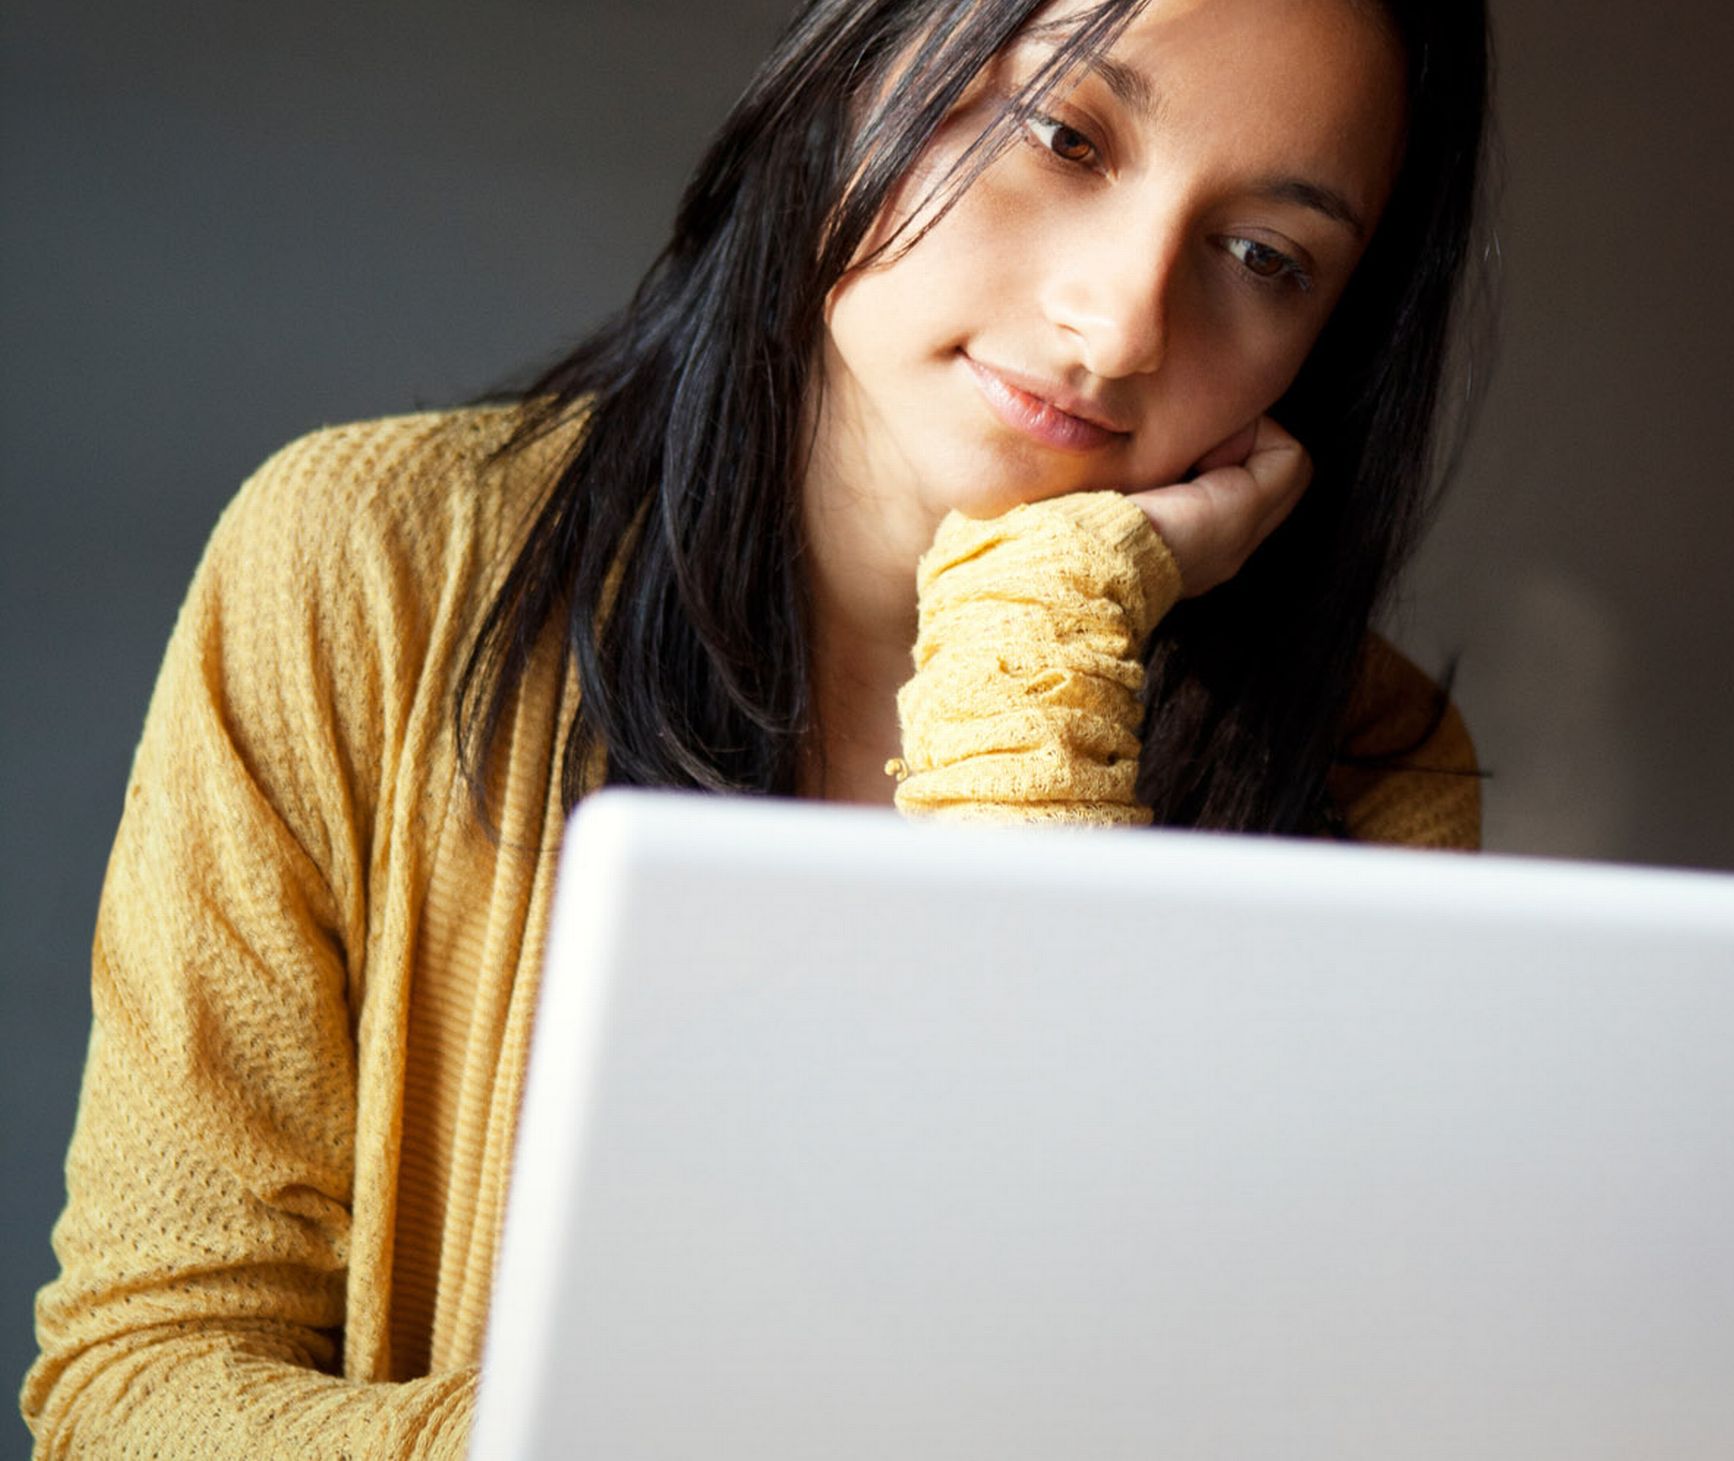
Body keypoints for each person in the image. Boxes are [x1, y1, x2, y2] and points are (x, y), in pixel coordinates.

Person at [21, 0, 1490, 1453]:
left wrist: (1037, 642)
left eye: (1263, 257)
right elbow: (137, 1392)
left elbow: (1114, 1409)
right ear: (860, 69)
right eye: (1062, 132)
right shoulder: (366, 564)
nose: (1116, 322)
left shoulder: (1365, 770)